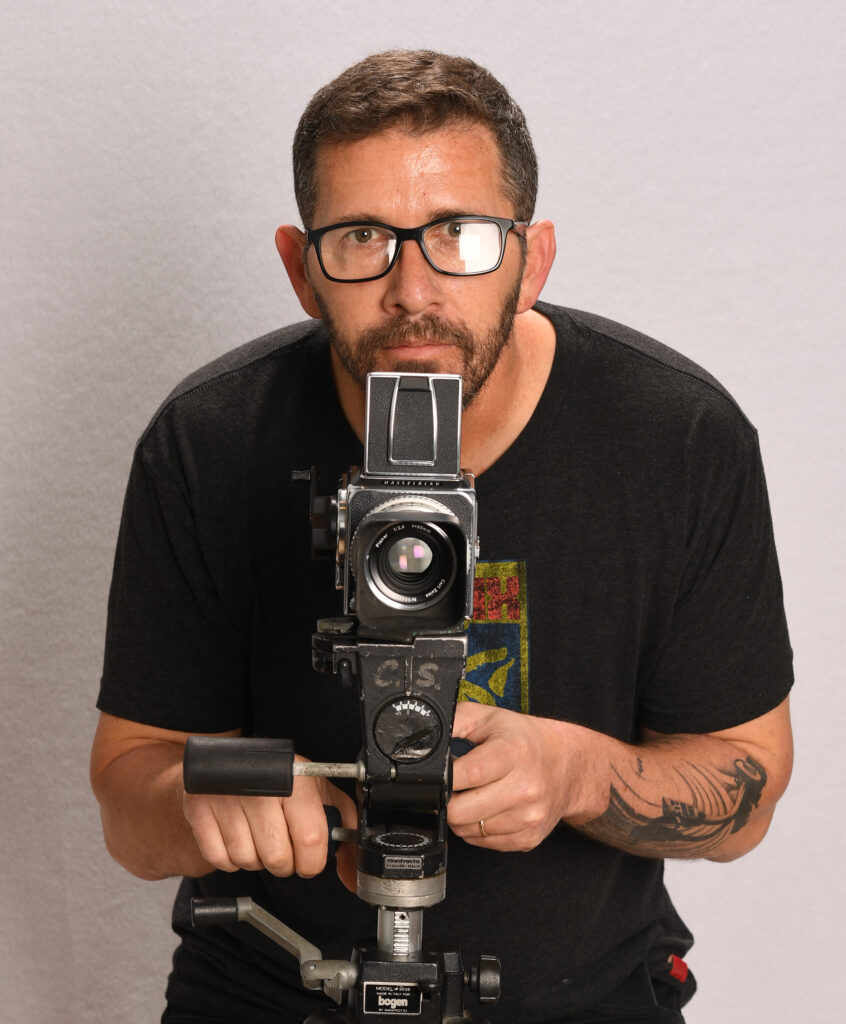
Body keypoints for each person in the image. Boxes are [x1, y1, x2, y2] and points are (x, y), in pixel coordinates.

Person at [90, 50, 794, 1024]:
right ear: (302, 269)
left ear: (531, 256)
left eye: (459, 236)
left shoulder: (675, 438)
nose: (412, 289)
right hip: (271, 979)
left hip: (582, 994)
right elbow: (128, 799)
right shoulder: (211, 441)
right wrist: (207, 805)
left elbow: (747, 793)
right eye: (362, 237)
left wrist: (574, 772)